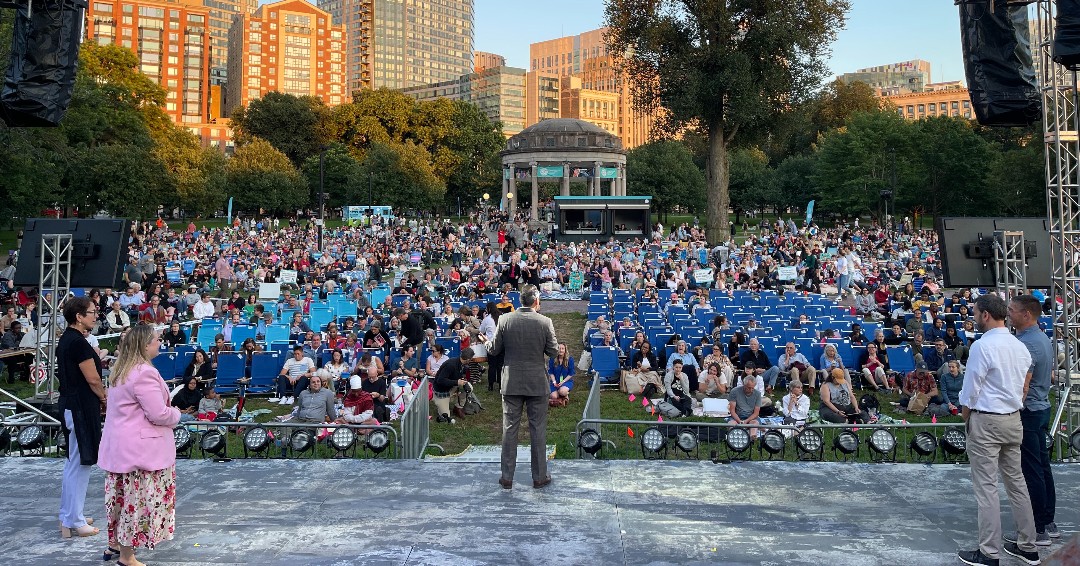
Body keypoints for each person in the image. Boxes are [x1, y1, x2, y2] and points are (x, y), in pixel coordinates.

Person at [957, 295, 1040, 566]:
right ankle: (1028, 546)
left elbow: (970, 389)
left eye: (975, 313)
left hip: (987, 420)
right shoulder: (1020, 346)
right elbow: (1024, 386)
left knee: (987, 488)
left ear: (985, 315)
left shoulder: (982, 346)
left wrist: (966, 417)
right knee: (1017, 484)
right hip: (1013, 419)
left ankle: (989, 552)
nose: (974, 317)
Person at [98, 324, 182, 566]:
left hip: (120, 448)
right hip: (140, 451)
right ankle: (127, 557)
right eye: (156, 339)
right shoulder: (144, 373)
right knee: (135, 504)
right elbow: (158, 413)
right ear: (145, 345)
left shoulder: (120, 370)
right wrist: (176, 414)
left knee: (121, 500)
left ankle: (116, 545)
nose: (160, 343)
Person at [488, 284, 558, 490]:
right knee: (538, 430)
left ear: (520, 300)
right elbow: (553, 351)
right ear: (536, 301)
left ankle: (507, 477)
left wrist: (486, 343)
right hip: (537, 382)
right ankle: (539, 477)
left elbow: (494, 349)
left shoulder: (505, 319)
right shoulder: (545, 322)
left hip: (511, 382)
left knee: (509, 429)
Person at [1009, 294, 1059, 544]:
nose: (1008, 314)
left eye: (1012, 310)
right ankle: (1047, 520)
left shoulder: (1027, 344)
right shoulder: (1041, 338)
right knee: (1041, 465)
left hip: (1029, 410)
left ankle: (1038, 528)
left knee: (1031, 470)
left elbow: (1023, 384)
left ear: (1026, 314)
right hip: (1041, 408)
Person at [56, 297, 106, 542]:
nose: (95, 316)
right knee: (79, 462)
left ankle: (70, 515)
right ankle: (73, 519)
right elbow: (93, 379)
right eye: (92, 312)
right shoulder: (77, 343)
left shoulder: (69, 339)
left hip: (73, 404)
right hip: (79, 407)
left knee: (74, 462)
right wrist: (104, 398)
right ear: (79, 316)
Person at [432, 347, 476, 421]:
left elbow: (460, 376)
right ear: (468, 359)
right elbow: (440, 380)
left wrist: (463, 383)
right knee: (445, 416)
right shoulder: (451, 365)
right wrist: (457, 382)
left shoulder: (462, 363)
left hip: (451, 386)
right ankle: (439, 401)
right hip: (441, 391)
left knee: (469, 388)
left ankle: (458, 407)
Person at [727, 373, 762, 438]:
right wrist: (739, 421)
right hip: (737, 416)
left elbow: (756, 413)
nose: (751, 390)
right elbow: (732, 410)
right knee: (731, 424)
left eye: (752, 388)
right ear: (744, 384)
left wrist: (746, 421)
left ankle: (752, 439)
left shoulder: (757, 394)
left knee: (755, 423)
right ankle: (735, 438)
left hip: (751, 417)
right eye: (749, 388)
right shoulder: (735, 391)